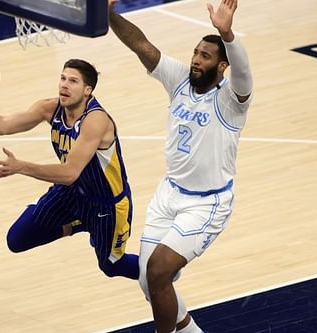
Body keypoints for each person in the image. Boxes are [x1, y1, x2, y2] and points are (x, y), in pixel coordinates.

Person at [108, 0, 253, 331]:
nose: (196, 60)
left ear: (221, 66)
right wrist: (108, 15)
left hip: (207, 204)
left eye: (205, 56)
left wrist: (226, 33)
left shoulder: (232, 100)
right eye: (195, 53)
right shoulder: (179, 81)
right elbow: (142, 45)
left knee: (159, 271)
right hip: (168, 193)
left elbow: (244, 72)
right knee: (148, 280)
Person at [0, 59, 139, 280]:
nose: (64, 85)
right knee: (18, 239)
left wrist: (21, 166)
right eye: (62, 78)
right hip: (70, 194)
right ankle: (78, 223)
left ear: (88, 90)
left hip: (106, 203)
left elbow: (70, 173)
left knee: (111, 266)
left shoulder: (96, 120)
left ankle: (160, 271)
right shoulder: (49, 108)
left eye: (73, 81)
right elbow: (2, 125)